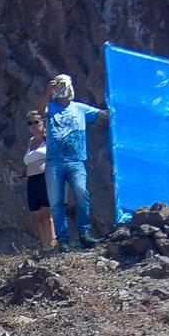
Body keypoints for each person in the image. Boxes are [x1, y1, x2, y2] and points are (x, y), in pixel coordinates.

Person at [43, 74, 105, 248]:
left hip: (76, 161)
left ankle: (84, 233)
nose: (62, 89)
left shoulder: (80, 108)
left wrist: (117, 108)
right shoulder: (50, 107)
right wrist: (48, 92)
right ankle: (62, 240)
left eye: (64, 85)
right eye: (59, 86)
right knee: (56, 202)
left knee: (81, 194)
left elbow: (101, 115)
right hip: (54, 161)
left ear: (70, 88)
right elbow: (40, 112)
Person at [23, 110, 54, 249]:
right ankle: (45, 245)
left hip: (45, 178)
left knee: (47, 213)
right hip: (32, 180)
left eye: (36, 122)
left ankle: (52, 243)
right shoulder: (30, 142)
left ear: (43, 123)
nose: (34, 126)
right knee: (38, 215)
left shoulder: (49, 139)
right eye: (30, 123)